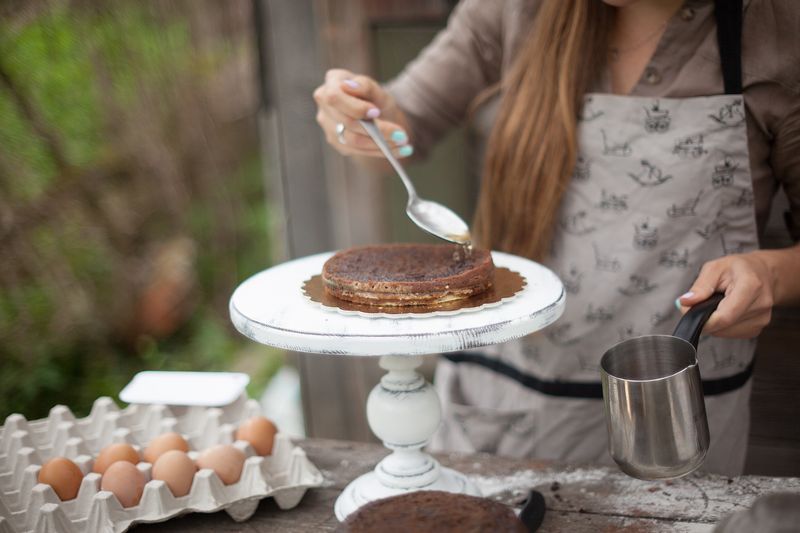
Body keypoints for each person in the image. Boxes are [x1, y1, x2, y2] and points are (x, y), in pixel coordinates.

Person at [313, 0, 800, 476]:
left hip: (670, 417)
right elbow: (399, 128)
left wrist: (769, 274)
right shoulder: (512, 10)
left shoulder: (778, 30)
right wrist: (361, 121)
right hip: (504, 400)